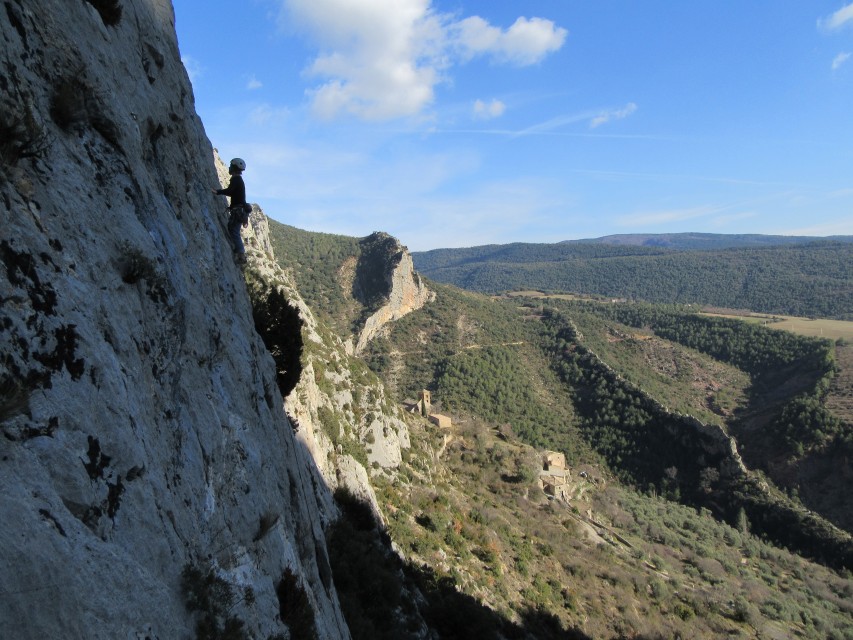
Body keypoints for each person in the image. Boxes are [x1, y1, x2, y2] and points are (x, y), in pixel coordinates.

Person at [212, 157, 250, 264]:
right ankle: (238, 251)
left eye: (230, 166)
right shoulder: (239, 180)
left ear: (234, 167)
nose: (229, 168)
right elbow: (233, 193)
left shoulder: (236, 179)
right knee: (233, 229)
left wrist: (217, 192)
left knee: (234, 231)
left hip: (238, 210)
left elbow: (230, 191)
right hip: (240, 210)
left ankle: (241, 254)